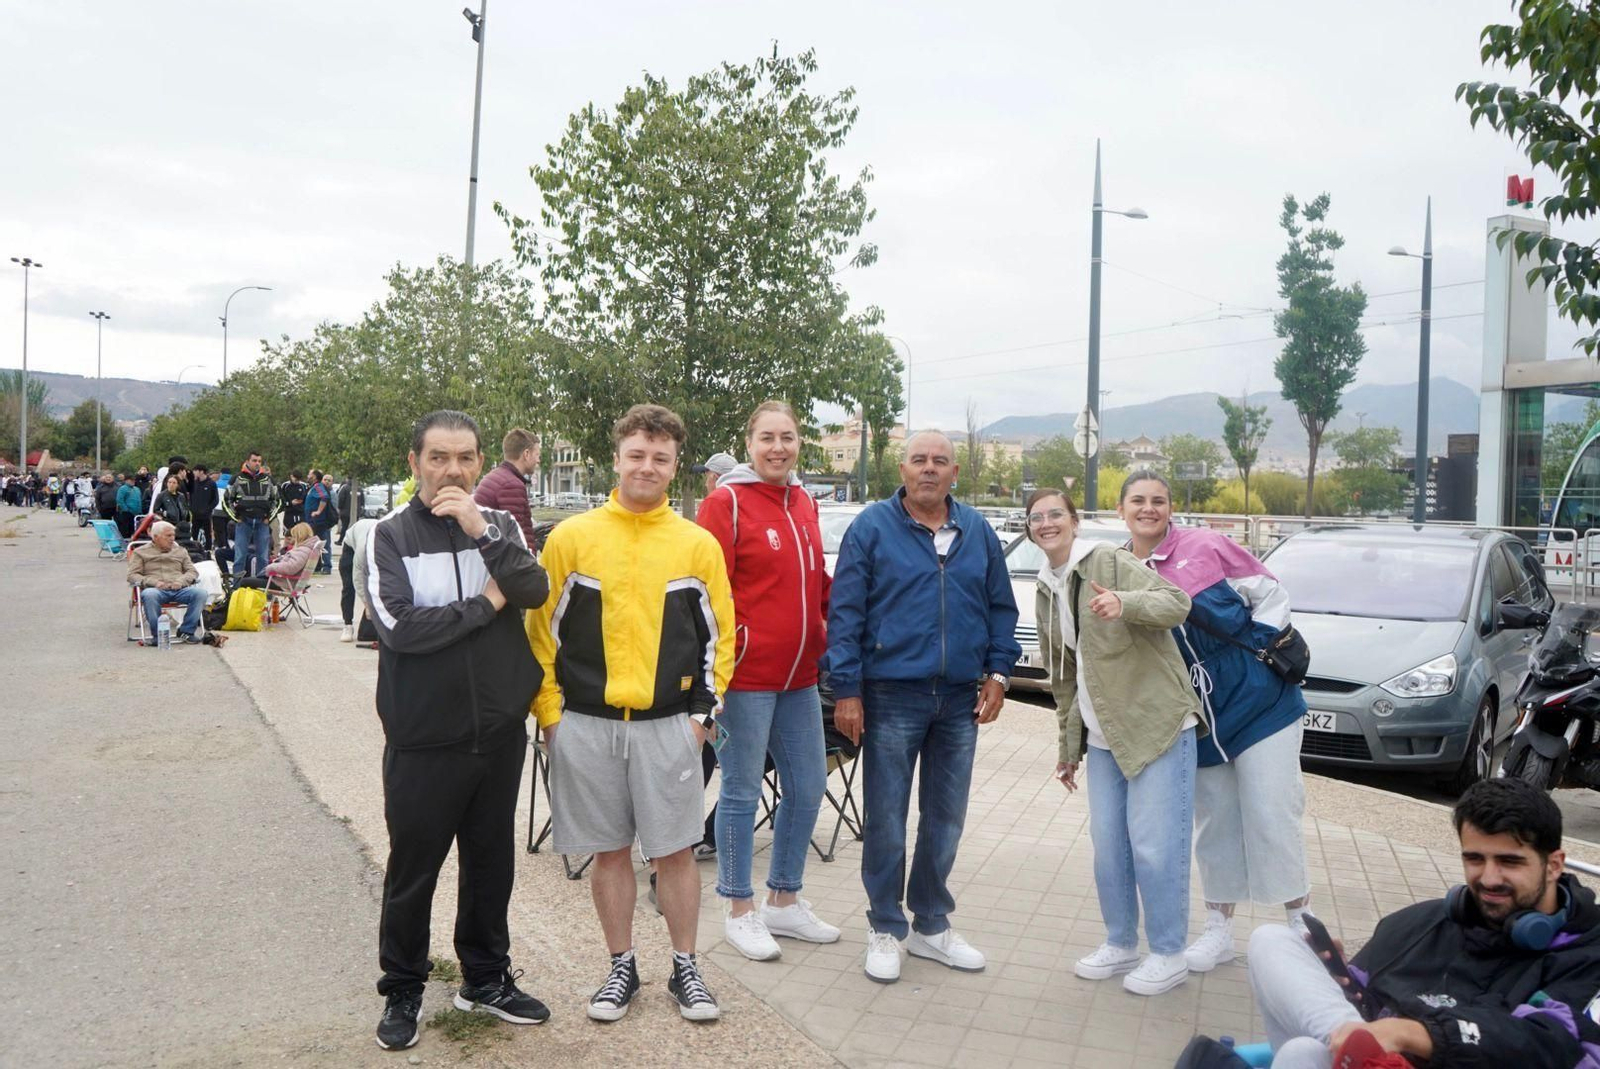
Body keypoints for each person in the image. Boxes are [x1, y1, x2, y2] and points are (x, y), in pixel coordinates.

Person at [526, 403, 734, 1023]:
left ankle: (685, 968)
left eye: (660, 458)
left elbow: (720, 640)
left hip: (669, 725)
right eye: (636, 455)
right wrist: (552, 716)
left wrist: (701, 720)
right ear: (616, 459)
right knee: (611, 852)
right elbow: (539, 636)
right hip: (584, 724)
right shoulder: (571, 538)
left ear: (676, 468)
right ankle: (622, 966)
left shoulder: (698, 545)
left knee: (674, 852)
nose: (647, 466)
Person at [366, 410, 552, 1051]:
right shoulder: (386, 536)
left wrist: (480, 531)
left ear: (479, 463)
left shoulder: (497, 525)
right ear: (414, 460)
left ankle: (485, 976)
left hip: (498, 734)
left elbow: (533, 589)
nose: (453, 469)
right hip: (423, 739)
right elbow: (400, 631)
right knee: (414, 870)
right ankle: (403, 988)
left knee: (491, 864)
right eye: (439, 457)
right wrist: (485, 605)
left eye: (465, 457)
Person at [824, 429, 1020, 984]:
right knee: (885, 818)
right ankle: (886, 926)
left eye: (940, 461)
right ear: (902, 470)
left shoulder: (977, 531)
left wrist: (999, 674)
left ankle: (932, 924)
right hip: (890, 695)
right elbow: (846, 616)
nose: (929, 469)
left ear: (955, 472)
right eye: (919, 460)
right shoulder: (871, 528)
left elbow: (1001, 608)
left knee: (946, 818)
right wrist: (848, 690)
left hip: (960, 698)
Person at [1249, 777, 1600, 1069]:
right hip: (1375, 1054)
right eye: (1475, 858)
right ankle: (1369, 1055)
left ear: (1554, 865)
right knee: (1271, 942)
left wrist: (1419, 1034)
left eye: (1510, 861)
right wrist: (1338, 982)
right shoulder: (1422, 922)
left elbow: (1551, 1042)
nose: (1489, 878)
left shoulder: (1588, 951)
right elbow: (1365, 998)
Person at [1118, 469, 1312, 972]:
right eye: (1137, 500)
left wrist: (1256, 658)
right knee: (1215, 822)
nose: (1148, 509)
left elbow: (1270, 596)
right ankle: (1219, 930)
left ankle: (1301, 924)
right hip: (1197, 719)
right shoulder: (1119, 571)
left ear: (1170, 508)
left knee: (1272, 812)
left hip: (1261, 704)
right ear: (1122, 510)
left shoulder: (1205, 546)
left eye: (1158, 500)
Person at [1028, 487, 1201, 996]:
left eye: (1055, 514)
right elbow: (1063, 678)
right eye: (1036, 518)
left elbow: (1177, 602)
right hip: (1103, 740)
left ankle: (1169, 953)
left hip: (1155, 727)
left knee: (1155, 847)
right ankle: (1122, 942)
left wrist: (1123, 602)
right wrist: (1067, 748)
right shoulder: (1046, 586)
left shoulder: (1105, 560)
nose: (1046, 523)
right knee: (1110, 848)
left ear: (1075, 521)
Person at [696, 401, 839, 961]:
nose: (778, 448)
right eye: (767, 438)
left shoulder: (802, 501)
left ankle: (784, 899)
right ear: (749, 443)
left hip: (801, 678)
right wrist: (710, 680)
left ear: (798, 442)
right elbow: (703, 595)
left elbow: (815, 582)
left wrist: (836, 630)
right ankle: (739, 907)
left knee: (806, 786)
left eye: (787, 437)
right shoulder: (725, 503)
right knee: (739, 789)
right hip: (745, 680)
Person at [126, 520, 207, 646]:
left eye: (173, 535)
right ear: (155, 537)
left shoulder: (180, 551)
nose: (172, 539)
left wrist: (181, 581)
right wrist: (154, 582)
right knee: (149, 595)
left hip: (179, 589)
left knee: (200, 593)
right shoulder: (140, 552)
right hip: (156, 590)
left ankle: (186, 631)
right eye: (168, 536)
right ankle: (158, 634)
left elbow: (192, 571)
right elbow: (132, 575)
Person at [473, 428, 541, 549]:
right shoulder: (511, 484)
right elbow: (515, 537)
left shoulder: (496, 476)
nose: (538, 460)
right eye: (537, 455)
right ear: (526, 454)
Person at [222, 451, 280, 579]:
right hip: (244, 522)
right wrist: (236, 518)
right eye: (254, 461)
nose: (257, 464)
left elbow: (277, 500)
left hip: (262, 522)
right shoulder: (237, 478)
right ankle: (236, 589)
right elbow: (226, 500)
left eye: (259, 461)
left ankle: (262, 589)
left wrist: (269, 518)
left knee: (263, 557)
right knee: (240, 556)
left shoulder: (268, 479)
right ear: (247, 461)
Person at [235, 522, 321, 592]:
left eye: (293, 536)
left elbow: (291, 568)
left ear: (299, 536)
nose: (292, 539)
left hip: (284, 583)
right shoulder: (307, 549)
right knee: (253, 579)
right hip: (289, 582)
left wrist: (271, 567)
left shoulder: (303, 550)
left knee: (244, 582)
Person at [340, 515, 377, 642]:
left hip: (368, 533)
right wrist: (367, 604)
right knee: (348, 586)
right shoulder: (362, 549)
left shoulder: (391, 544)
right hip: (351, 545)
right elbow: (358, 578)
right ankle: (347, 625)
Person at [305, 470, 336, 574]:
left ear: (314, 476)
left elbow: (324, 497)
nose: (308, 475)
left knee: (324, 544)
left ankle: (327, 566)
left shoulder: (318, 486)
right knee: (315, 544)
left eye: (309, 474)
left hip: (319, 522)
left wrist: (318, 511)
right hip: (313, 522)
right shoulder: (313, 487)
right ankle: (317, 566)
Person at [152, 473, 193, 541]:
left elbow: (185, 507)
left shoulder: (181, 496)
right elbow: (155, 510)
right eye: (169, 482)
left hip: (181, 523)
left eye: (174, 483)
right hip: (168, 522)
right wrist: (165, 513)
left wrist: (187, 517)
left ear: (177, 485)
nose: (171, 484)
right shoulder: (162, 495)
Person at [189, 465, 217, 551]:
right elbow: (190, 496)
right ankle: (193, 549)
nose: (194, 473)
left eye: (195, 471)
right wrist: (191, 508)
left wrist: (208, 509)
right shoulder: (194, 483)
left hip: (206, 514)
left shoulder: (211, 483)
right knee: (194, 533)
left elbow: (215, 499)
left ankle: (208, 550)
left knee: (207, 533)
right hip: (195, 514)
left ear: (201, 471)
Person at [115, 474, 142, 538]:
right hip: (126, 513)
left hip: (136, 513)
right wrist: (126, 509)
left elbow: (139, 499)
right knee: (125, 530)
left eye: (134, 480)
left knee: (134, 529)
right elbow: (119, 500)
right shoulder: (122, 489)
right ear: (126, 481)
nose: (133, 481)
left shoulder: (137, 489)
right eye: (131, 480)